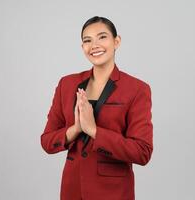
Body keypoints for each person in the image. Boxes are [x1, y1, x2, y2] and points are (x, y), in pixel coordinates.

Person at [41, 16, 153, 200]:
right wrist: (76, 129)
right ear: (82, 47)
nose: (94, 45)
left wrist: (93, 130)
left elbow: (142, 152)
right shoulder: (67, 84)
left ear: (116, 41)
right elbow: (47, 141)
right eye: (87, 40)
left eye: (102, 37)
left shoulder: (137, 89)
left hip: (113, 192)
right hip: (72, 189)